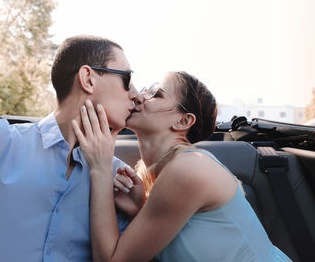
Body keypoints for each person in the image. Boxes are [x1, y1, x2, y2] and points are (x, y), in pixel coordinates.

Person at [0, 35, 139, 261]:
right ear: (88, 78)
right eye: (127, 80)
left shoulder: (118, 179)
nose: (136, 95)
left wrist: (137, 213)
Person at [72, 71, 292, 261]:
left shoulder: (189, 168)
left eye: (156, 94)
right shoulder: (162, 171)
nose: (138, 97)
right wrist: (137, 211)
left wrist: (100, 167)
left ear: (183, 121)